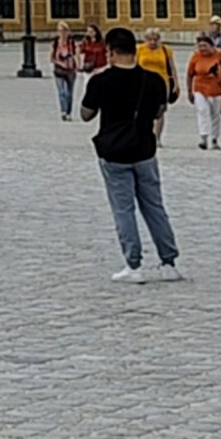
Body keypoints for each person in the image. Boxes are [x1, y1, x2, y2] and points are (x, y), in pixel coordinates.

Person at [81, 25, 181, 279]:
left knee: (123, 209)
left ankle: (133, 264)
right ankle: (169, 262)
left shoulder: (101, 81)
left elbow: (85, 114)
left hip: (114, 153)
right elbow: (159, 112)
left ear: (111, 51)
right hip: (144, 150)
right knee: (154, 206)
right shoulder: (154, 80)